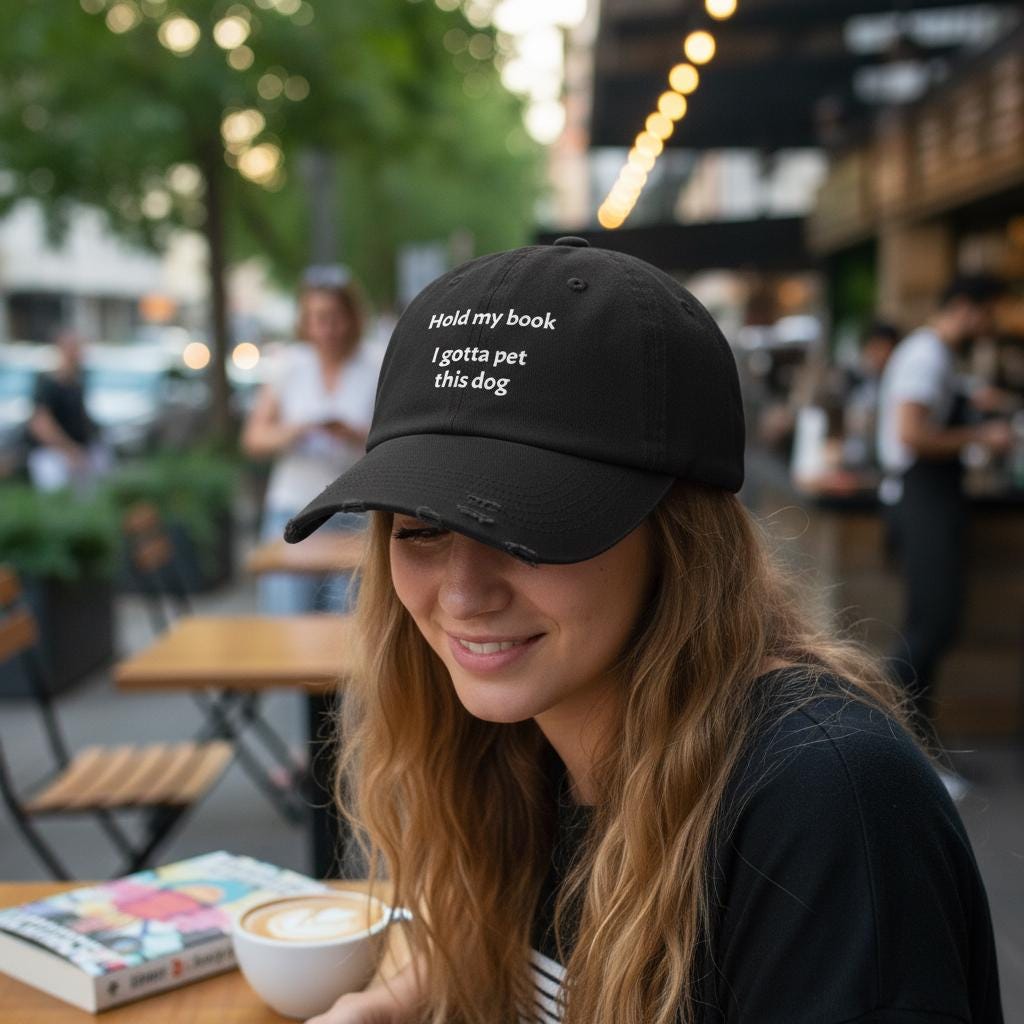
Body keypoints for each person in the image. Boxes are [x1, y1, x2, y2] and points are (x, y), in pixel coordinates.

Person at [283, 239, 1002, 1024]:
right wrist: (386, 1006)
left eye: (525, 528)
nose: (461, 594)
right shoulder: (518, 739)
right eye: (420, 529)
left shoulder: (823, 801)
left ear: (679, 533)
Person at [876, 277, 1013, 757]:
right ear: (964, 307)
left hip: (931, 499)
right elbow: (911, 433)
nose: (990, 324)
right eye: (988, 313)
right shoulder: (926, 355)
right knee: (931, 625)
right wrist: (982, 437)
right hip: (922, 498)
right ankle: (890, 736)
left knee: (932, 624)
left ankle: (918, 747)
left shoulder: (937, 357)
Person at [242, 265, 380, 614]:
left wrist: (354, 434)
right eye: (318, 318)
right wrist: (295, 430)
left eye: (335, 317)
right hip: (294, 508)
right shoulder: (289, 364)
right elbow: (254, 439)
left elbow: (395, 440)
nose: (327, 328)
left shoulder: (375, 363)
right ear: (304, 321)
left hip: (354, 511)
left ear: (352, 317)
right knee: (287, 621)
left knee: (348, 624)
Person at [25, 329, 113, 493]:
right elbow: (40, 425)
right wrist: (70, 450)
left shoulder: (78, 382)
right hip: (54, 456)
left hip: (80, 453)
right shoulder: (48, 384)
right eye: (74, 348)